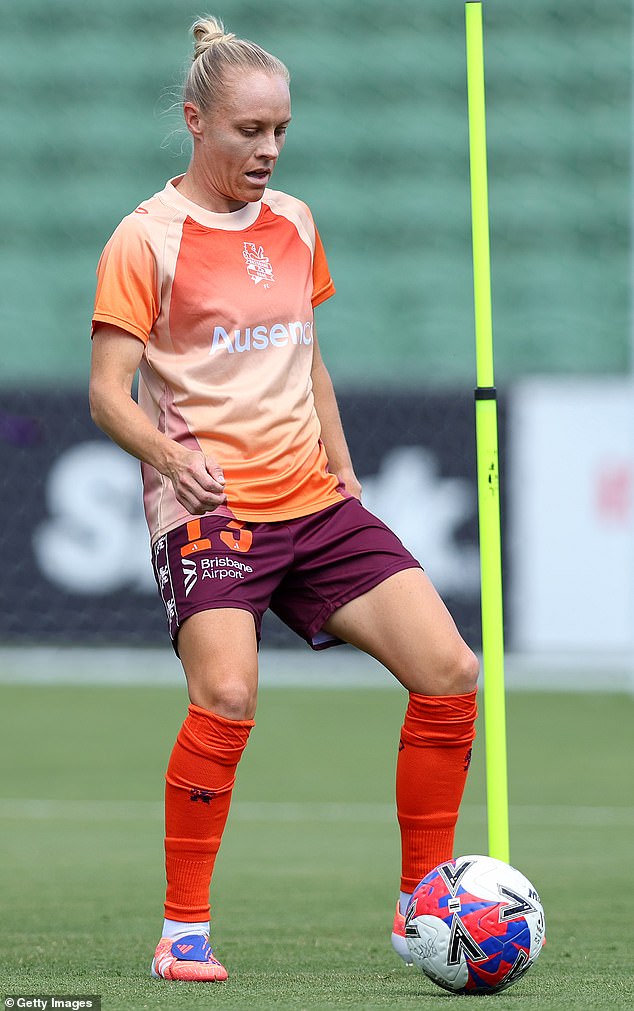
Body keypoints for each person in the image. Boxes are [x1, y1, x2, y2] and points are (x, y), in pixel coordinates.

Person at [89, 15, 479, 984]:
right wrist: (166, 458)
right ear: (195, 122)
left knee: (450, 671)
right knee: (226, 695)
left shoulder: (296, 222)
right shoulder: (145, 238)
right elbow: (106, 394)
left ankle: (422, 906)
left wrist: (344, 468)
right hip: (212, 509)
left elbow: (307, 358)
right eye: (249, 131)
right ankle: (182, 931)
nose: (268, 149)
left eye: (280, 132)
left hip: (313, 499)